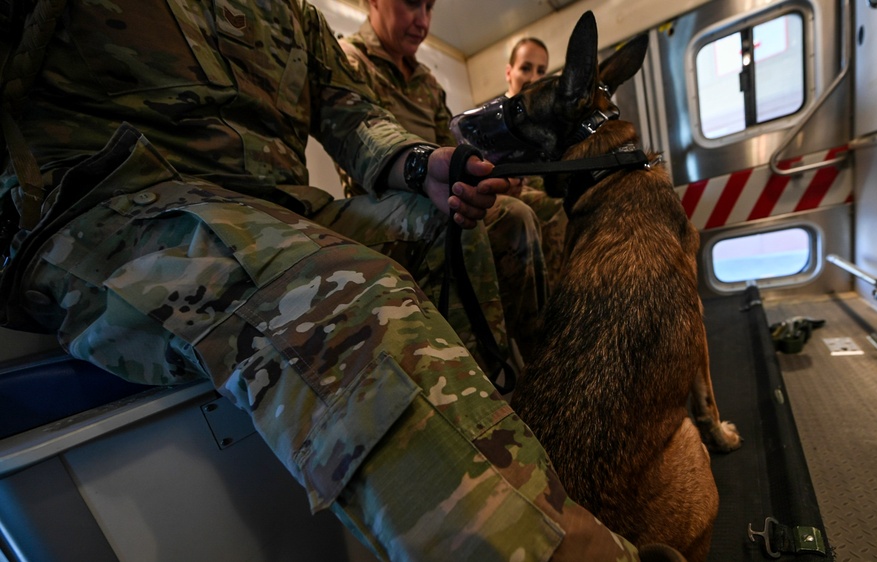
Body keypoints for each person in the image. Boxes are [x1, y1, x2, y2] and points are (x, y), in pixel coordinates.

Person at [0, 0, 646, 560]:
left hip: (277, 200)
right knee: (346, 291)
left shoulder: (292, 16)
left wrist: (422, 163)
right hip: (115, 202)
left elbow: (346, 112)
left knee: (497, 220)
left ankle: (536, 447)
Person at [336, 0, 548, 363]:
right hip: (385, 202)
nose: (423, 21)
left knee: (533, 209)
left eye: (430, 8)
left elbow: (453, 149)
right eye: (412, 4)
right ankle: (486, 380)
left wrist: (486, 176)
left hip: (438, 186)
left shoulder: (428, 83)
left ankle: (542, 360)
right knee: (502, 217)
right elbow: (356, 161)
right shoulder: (349, 61)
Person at [501, 37, 569, 294]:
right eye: (525, 68)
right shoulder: (493, 121)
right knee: (558, 209)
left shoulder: (547, 125)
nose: (533, 77)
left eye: (541, 71)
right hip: (509, 200)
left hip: (542, 201)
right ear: (509, 73)